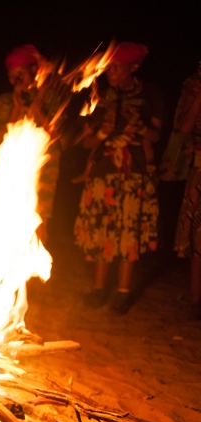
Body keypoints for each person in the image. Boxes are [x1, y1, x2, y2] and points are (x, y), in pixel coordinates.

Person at [73, 42, 164, 314]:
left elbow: (156, 136)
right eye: (108, 66)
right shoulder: (101, 95)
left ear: (133, 67)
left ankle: (123, 292)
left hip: (133, 173)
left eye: (116, 66)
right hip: (103, 173)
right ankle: (99, 288)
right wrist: (103, 132)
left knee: (128, 234)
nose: (109, 71)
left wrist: (140, 127)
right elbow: (87, 143)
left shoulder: (150, 94)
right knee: (102, 231)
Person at [0, 44, 62, 244]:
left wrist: (36, 106)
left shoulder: (50, 97)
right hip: (12, 171)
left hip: (43, 170)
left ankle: (34, 269)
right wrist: (16, 108)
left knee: (39, 221)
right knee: (9, 222)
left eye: (20, 74)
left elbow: (55, 134)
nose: (16, 81)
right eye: (12, 76)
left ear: (33, 71)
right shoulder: (5, 101)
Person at [171, 61, 201, 318]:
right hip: (200, 170)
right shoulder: (194, 84)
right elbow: (184, 126)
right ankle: (195, 301)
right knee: (198, 237)